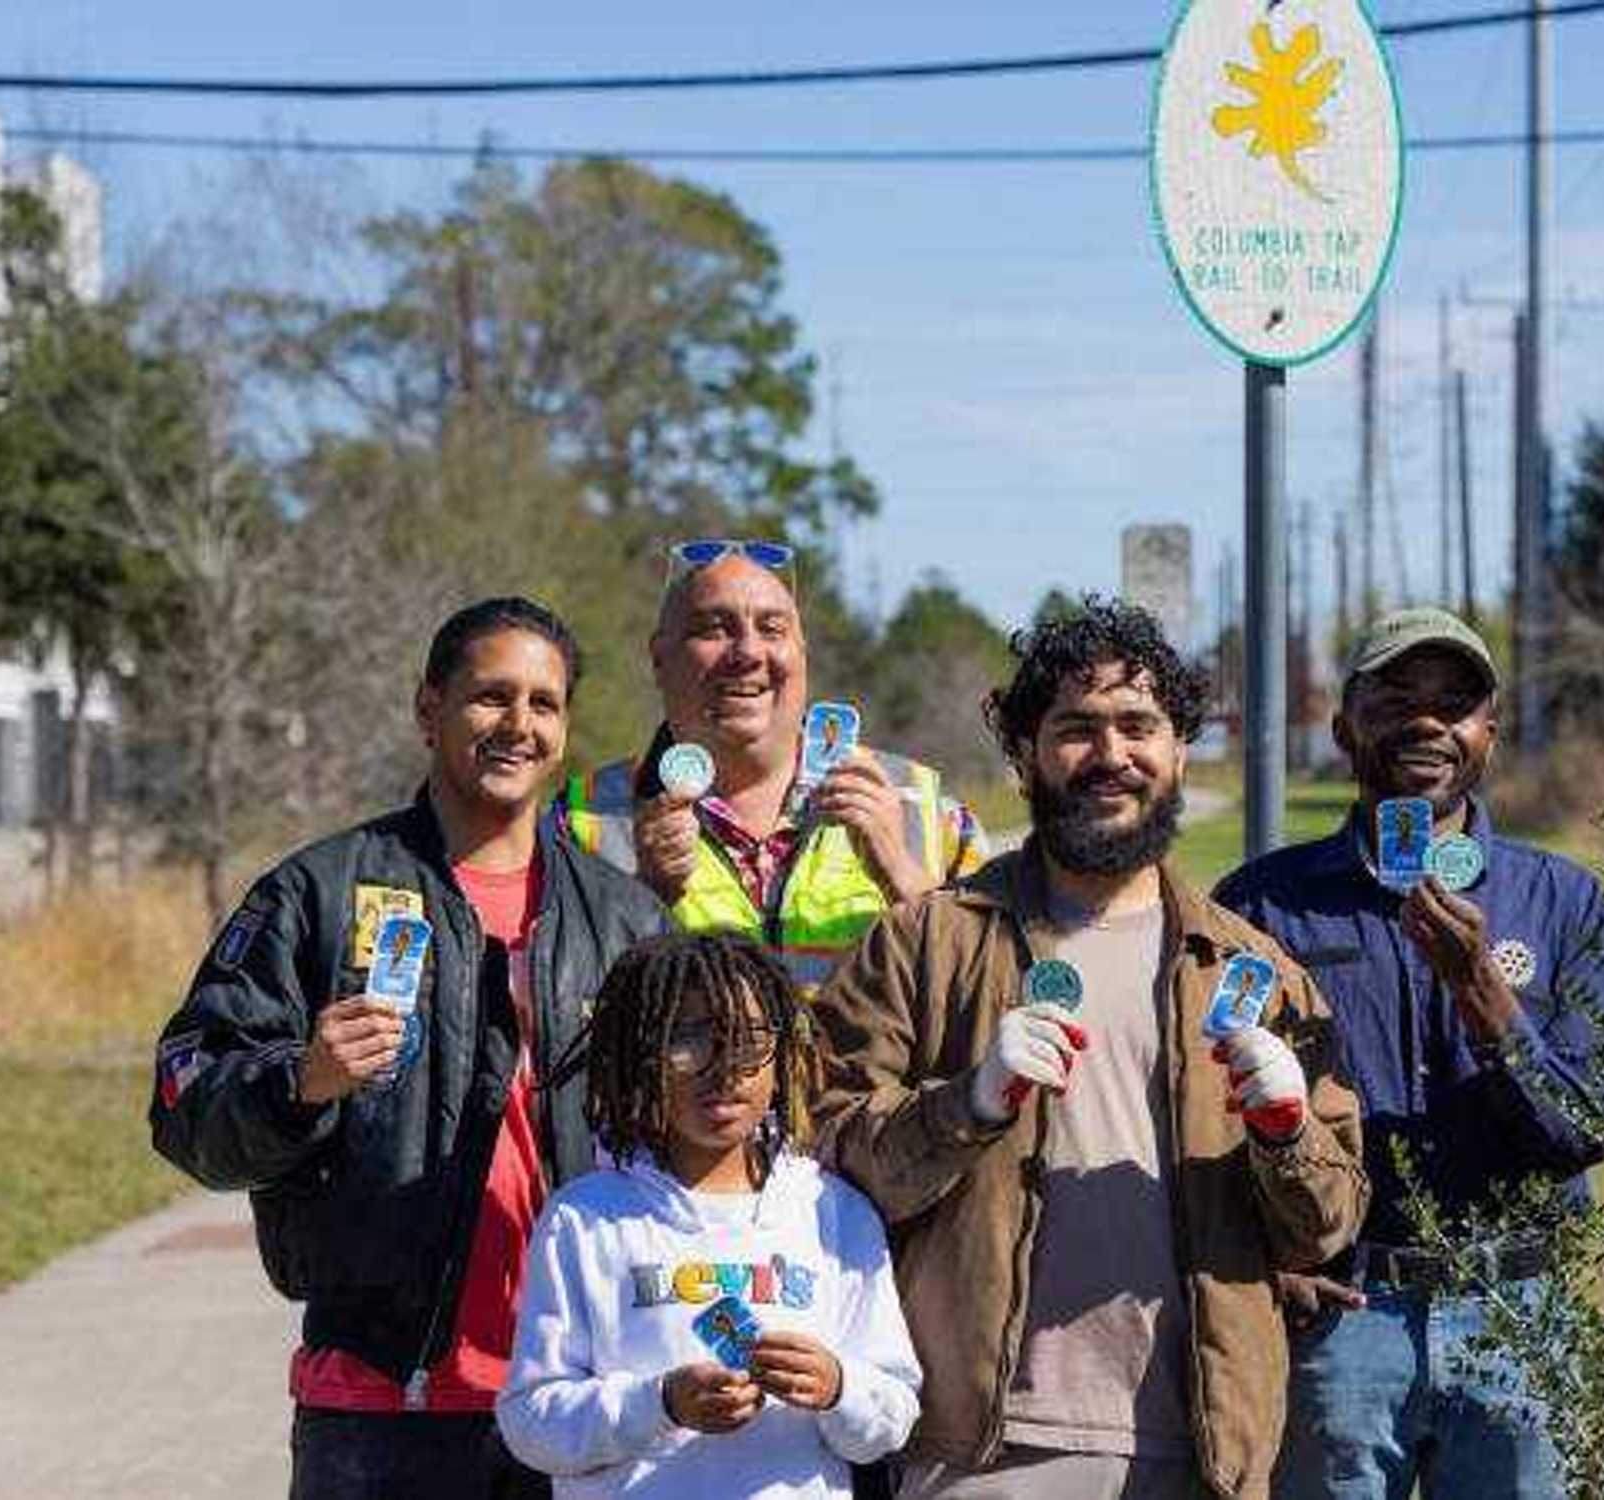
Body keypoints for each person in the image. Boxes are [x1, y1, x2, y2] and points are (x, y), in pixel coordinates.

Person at [812, 598, 1369, 1500]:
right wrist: (968, 1103)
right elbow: (827, 1156)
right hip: (980, 1450)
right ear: (1027, 751)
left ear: (1181, 749)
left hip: (1203, 1451)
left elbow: (1327, 1227)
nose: (1111, 755)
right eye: (1077, 727)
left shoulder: (1250, 969)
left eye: (1138, 726)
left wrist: (1285, 1131)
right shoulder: (929, 944)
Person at [150, 597, 669, 1500]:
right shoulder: (316, 894)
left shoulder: (625, 919)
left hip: (582, 1400)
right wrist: (300, 1081)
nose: (519, 724)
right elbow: (185, 1102)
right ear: (428, 710)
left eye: (544, 704)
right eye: (490, 697)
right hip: (381, 1413)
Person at [1212, 607, 1604, 1500]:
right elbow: (1192, 1107)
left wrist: (1486, 998)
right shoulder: (1262, 906)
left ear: (1488, 733)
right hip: (1340, 1317)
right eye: (1396, 696)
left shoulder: (1564, 902)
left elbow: (1593, 1124)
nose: (1427, 721)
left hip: (1516, 1318)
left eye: (1455, 702)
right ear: (1343, 727)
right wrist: (1269, 1258)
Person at [497, 932, 922, 1498]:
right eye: (688, 1039)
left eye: (747, 1040)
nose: (723, 1069)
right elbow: (530, 1423)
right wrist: (660, 1404)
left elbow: (892, 1415)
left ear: (783, 1055)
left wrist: (839, 1387)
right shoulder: (584, 1219)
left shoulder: (835, 1213)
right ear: (642, 1055)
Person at [560, 538, 985, 994]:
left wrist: (910, 887)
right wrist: (643, 901)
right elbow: (554, 1025)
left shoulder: (928, 812)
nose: (747, 653)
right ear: (659, 659)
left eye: (772, 629)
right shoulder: (578, 823)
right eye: (713, 628)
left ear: (802, 653)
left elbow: (993, 1003)